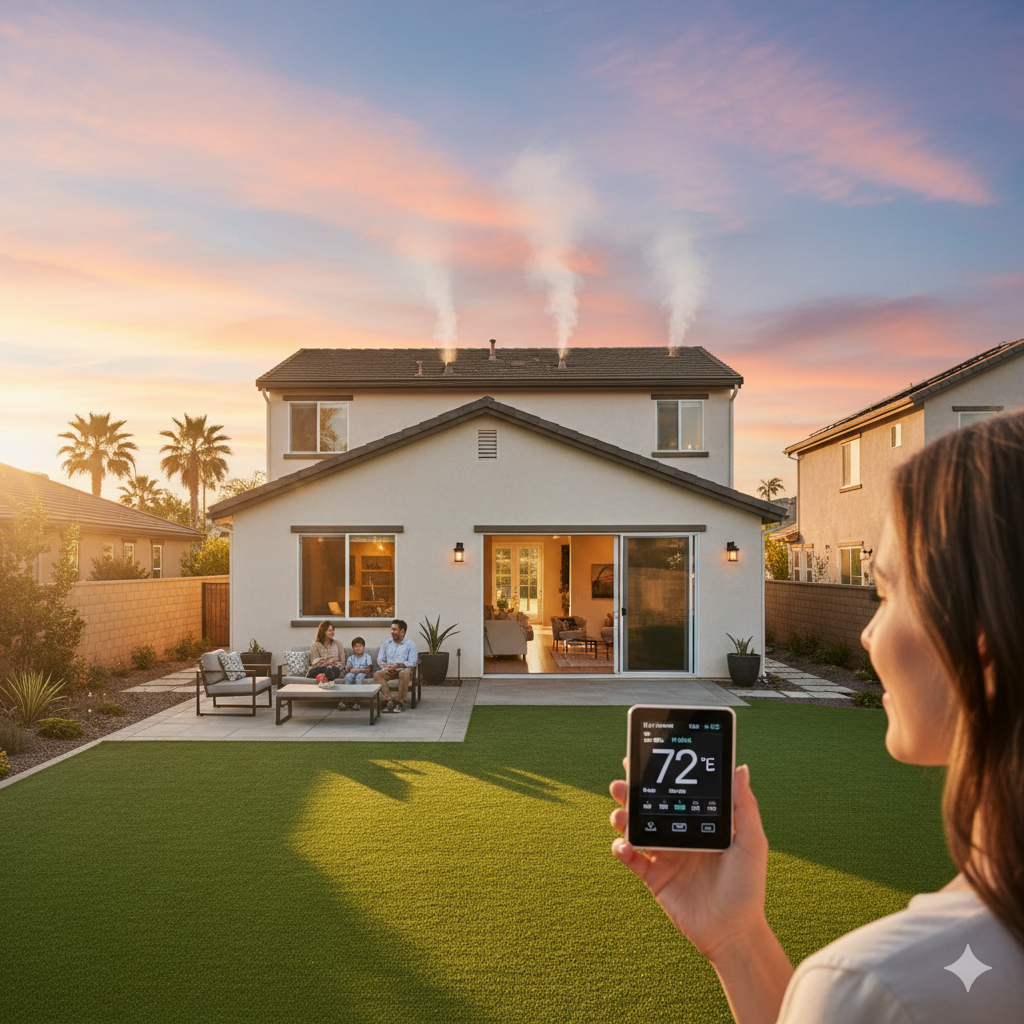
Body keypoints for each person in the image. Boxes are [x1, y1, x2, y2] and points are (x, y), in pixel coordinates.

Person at [609, 412, 1024, 1023]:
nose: (867, 632)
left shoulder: (881, 991)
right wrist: (738, 939)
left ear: (980, 640)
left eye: (883, 594)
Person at [373, 618, 417, 713]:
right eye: (391, 629)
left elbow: (413, 662)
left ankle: (400, 702)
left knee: (405, 673)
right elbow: (380, 660)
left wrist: (399, 665)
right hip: (389, 670)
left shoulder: (411, 645)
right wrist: (387, 666)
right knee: (377, 674)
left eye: (394, 630)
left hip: (403, 671)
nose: (392, 632)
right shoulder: (387, 643)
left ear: (402, 631)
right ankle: (389, 700)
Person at [341, 636, 372, 711]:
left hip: (363, 673)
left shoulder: (367, 657)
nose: (358, 648)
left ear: (363, 647)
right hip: (352, 673)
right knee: (348, 677)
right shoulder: (351, 658)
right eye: (356, 646)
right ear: (353, 648)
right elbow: (348, 669)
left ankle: (357, 702)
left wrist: (359, 670)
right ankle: (345, 701)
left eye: (360, 646)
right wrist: (347, 668)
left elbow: (369, 669)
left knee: (359, 677)